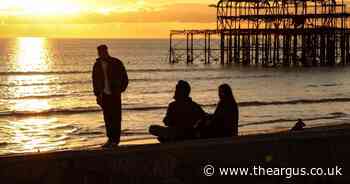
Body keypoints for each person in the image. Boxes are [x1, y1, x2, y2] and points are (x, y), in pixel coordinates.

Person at [92, 45, 128, 148]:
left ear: (106, 51)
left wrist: (120, 89)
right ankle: (110, 139)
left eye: (102, 51)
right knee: (107, 118)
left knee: (116, 118)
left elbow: (124, 78)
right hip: (104, 95)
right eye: (99, 52)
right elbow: (95, 80)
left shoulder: (116, 62)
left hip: (115, 94)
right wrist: (97, 94)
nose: (100, 54)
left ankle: (115, 140)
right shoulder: (97, 65)